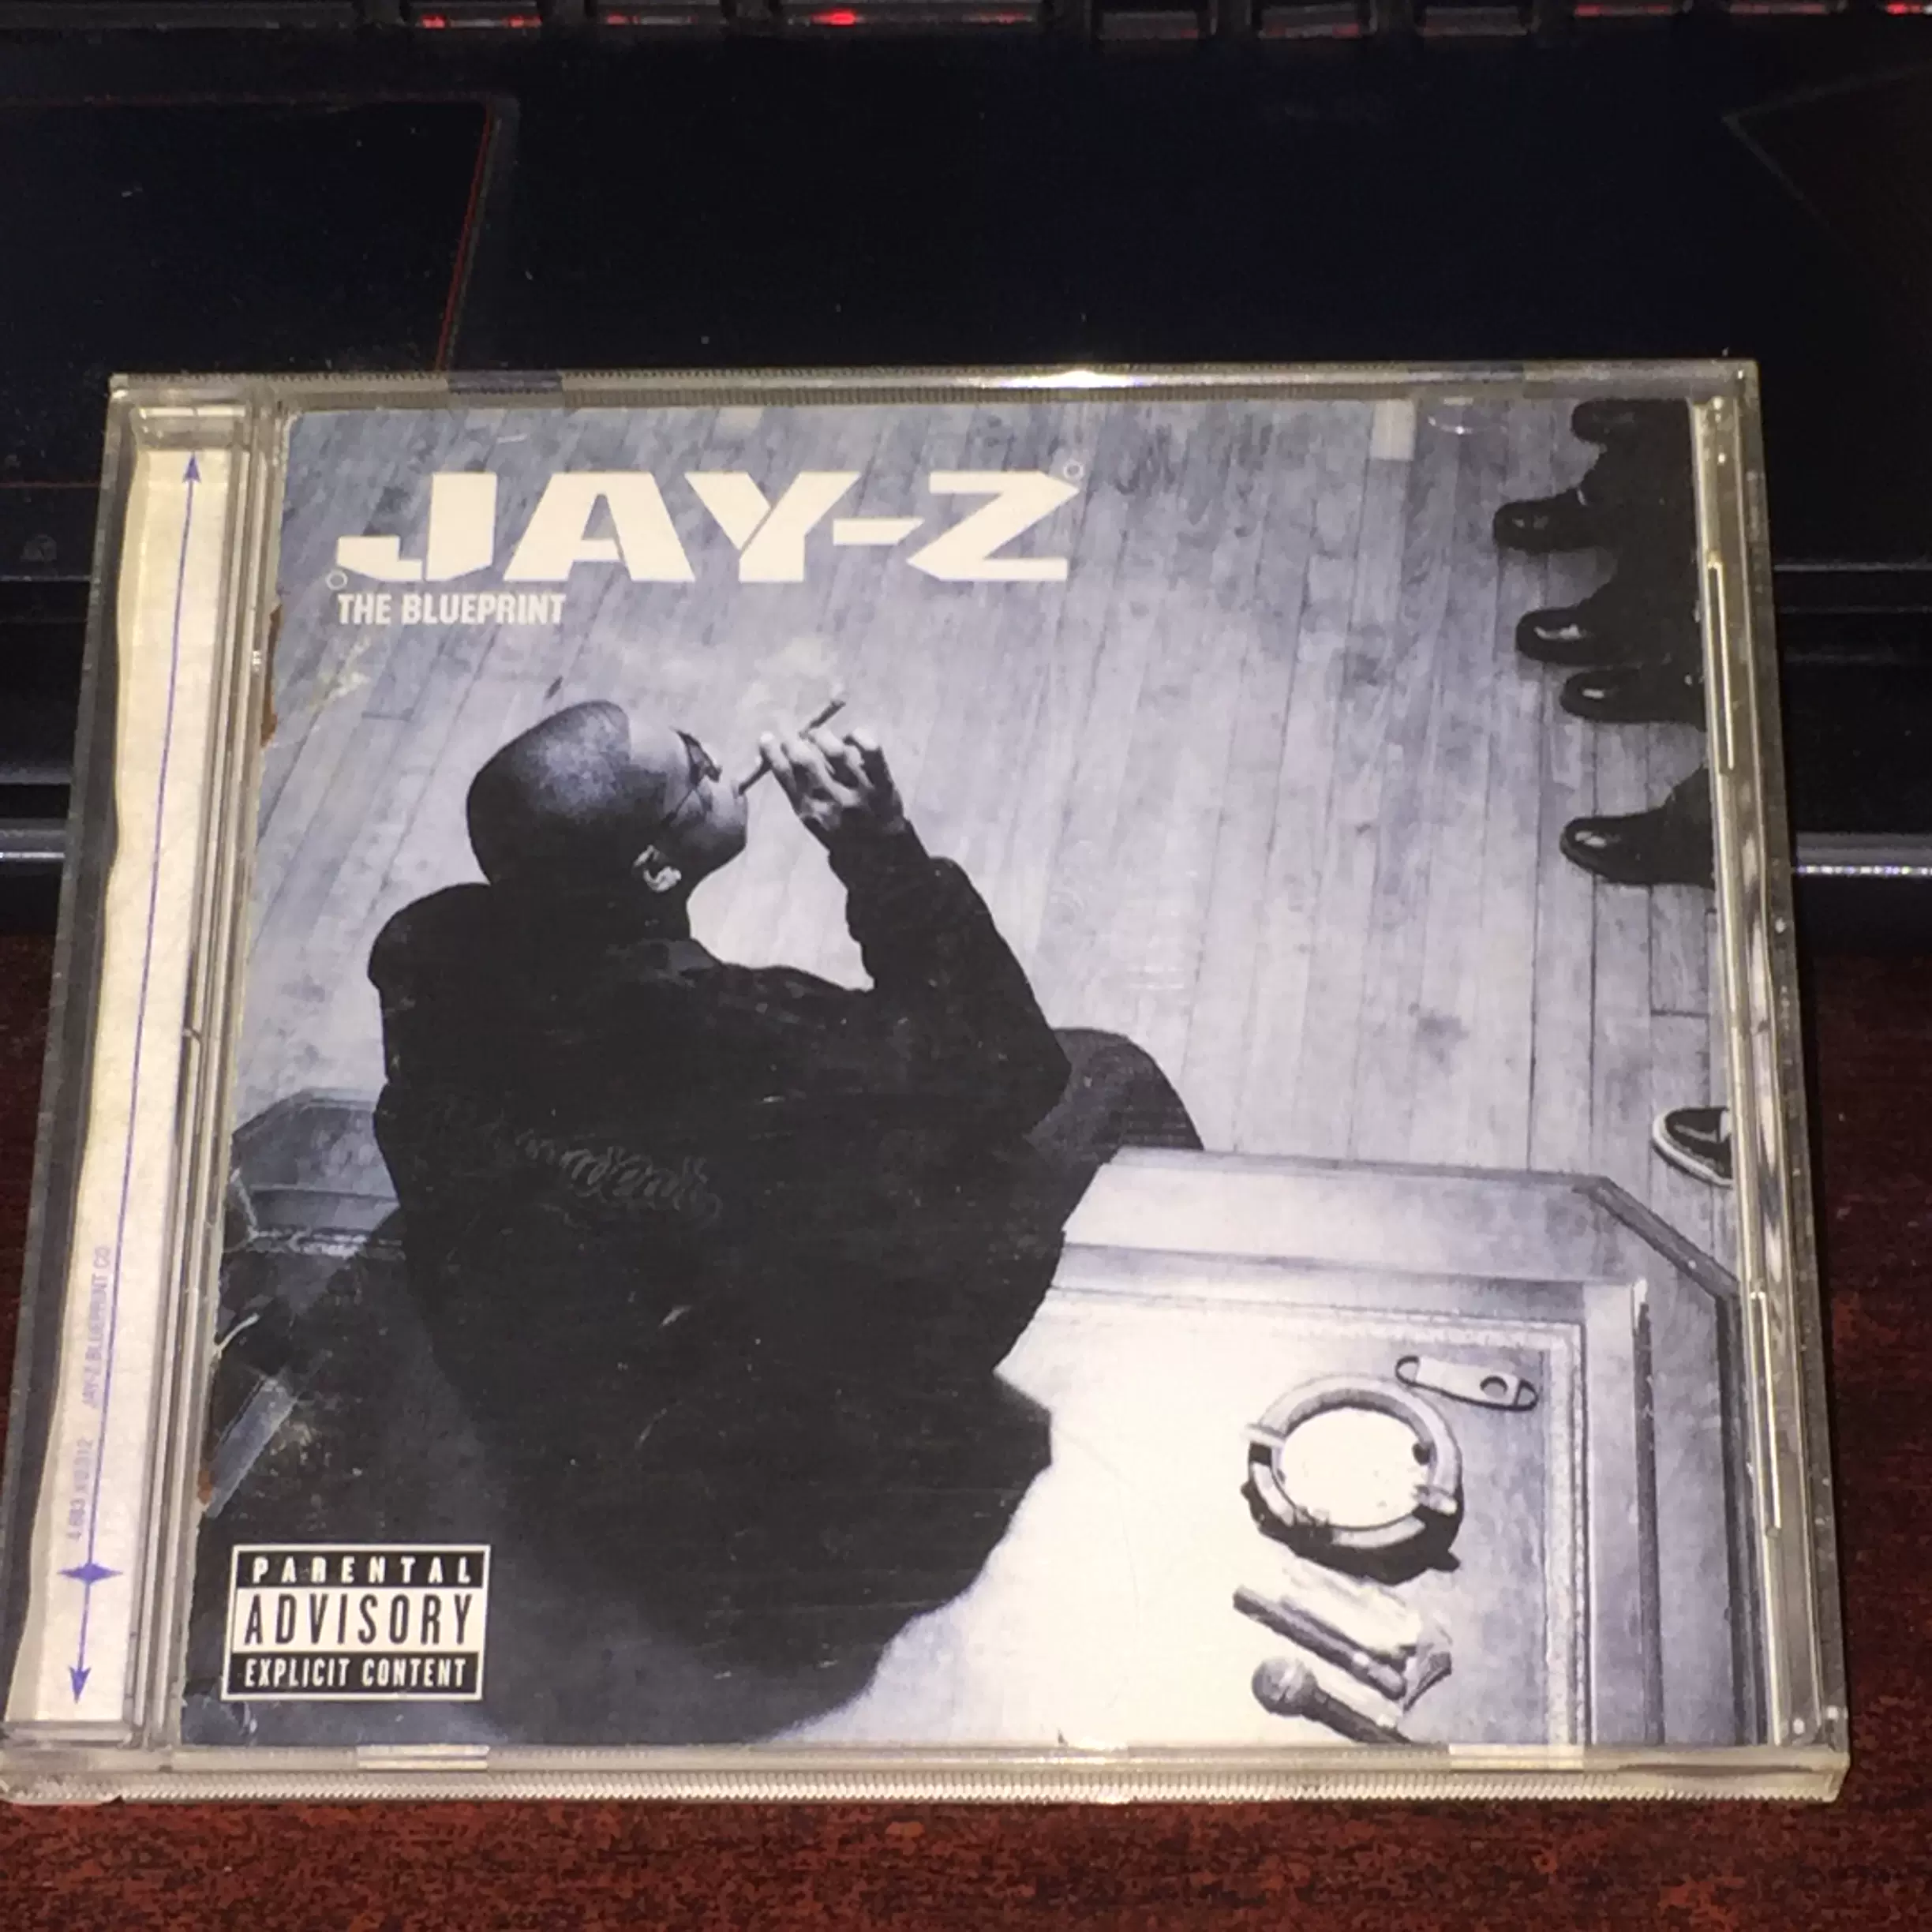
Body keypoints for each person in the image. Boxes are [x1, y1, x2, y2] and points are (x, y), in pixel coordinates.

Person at [366, 700, 1199, 1684]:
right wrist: (882, 853)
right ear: (656, 871)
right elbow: (1012, 1072)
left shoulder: (425, 951)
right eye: (698, 768)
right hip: (765, 1495)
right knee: (1108, 1073)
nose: (718, 760)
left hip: (577, 1425)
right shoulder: (755, 1041)